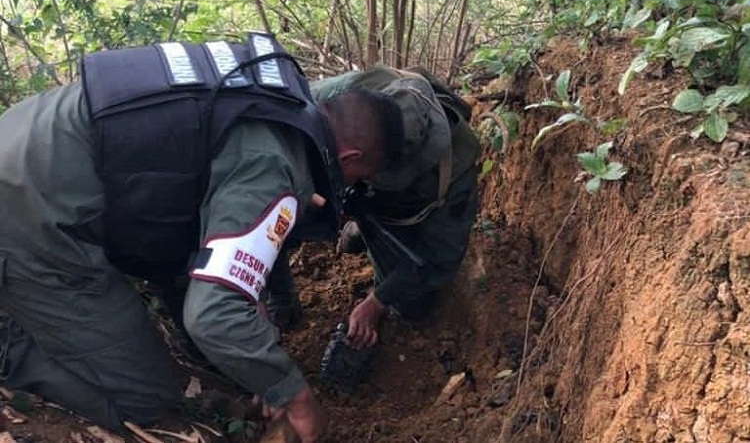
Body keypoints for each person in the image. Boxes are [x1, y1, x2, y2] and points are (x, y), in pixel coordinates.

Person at [0, 32, 404, 443]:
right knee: (148, 397)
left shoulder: (275, 97)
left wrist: (253, 338)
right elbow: (212, 317)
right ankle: (8, 351)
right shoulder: (278, 168)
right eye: (361, 178)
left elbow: (188, 216)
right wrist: (296, 398)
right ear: (351, 158)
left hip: (24, 136)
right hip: (31, 215)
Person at [267, 65, 481, 351]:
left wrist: (377, 301)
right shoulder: (327, 101)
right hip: (333, 168)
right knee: (279, 210)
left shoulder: (453, 174)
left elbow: (438, 260)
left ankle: (362, 226)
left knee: (413, 306)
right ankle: (281, 299)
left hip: (399, 209)